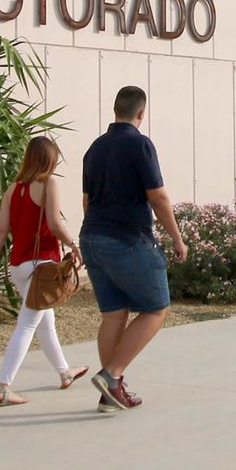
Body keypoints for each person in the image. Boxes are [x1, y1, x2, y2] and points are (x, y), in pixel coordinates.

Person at [79, 86, 186, 413]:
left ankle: (111, 391)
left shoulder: (94, 148)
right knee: (156, 309)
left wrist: (98, 235)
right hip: (127, 239)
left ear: (115, 110)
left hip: (92, 236)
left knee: (113, 313)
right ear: (141, 113)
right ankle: (112, 376)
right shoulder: (140, 144)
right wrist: (178, 238)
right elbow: (158, 197)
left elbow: (86, 201)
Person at [0, 137, 89, 406]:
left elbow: (1, 230)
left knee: (44, 322)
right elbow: (53, 222)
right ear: (49, 161)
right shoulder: (48, 183)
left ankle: (64, 373)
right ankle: (3, 387)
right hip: (41, 265)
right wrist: (74, 245)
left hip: (18, 265)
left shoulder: (12, 189)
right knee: (28, 323)